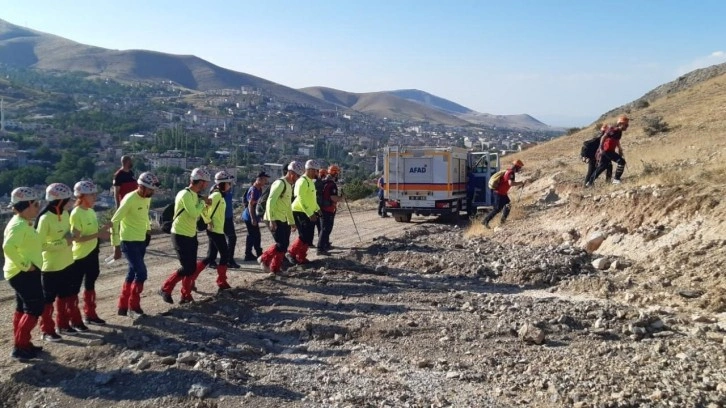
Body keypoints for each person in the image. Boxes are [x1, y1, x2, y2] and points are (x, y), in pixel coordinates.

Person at [159, 168, 211, 304]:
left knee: (191, 267)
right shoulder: (185, 194)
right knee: (187, 267)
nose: (206, 185)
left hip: (190, 234)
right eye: (205, 182)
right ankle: (166, 288)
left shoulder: (194, 195)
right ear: (199, 182)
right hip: (180, 235)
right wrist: (202, 203)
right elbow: (194, 213)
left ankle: (185, 295)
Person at [35, 183, 80, 340]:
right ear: (59, 201)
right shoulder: (45, 219)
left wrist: (72, 235)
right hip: (51, 267)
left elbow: (67, 234)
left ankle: (63, 324)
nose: (70, 202)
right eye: (67, 200)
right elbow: (39, 245)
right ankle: (47, 330)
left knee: (65, 296)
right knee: (48, 300)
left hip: (67, 262)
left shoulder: (66, 214)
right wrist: (63, 242)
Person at [110, 171, 159, 318]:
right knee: (141, 273)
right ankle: (134, 306)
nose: (152, 192)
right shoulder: (130, 199)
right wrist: (115, 245)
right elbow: (114, 221)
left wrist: (148, 231)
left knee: (132, 273)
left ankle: (122, 306)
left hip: (140, 240)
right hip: (128, 241)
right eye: (150, 189)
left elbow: (144, 216)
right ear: (142, 187)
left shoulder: (146, 198)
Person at [3, 187, 45, 359]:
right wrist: (26, 265)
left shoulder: (21, 222)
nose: (39, 207)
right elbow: (8, 247)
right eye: (36, 204)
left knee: (23, 308)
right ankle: (20, 347)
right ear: (27, 205)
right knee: (35, 307)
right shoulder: (19, 225)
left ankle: (23, 343)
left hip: (23, 272)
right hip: (23, 273)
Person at [70, 180, 110, 326]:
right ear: (82, 196)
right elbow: (77, 239)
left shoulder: (91, 211)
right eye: (92, 194)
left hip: (93, 253)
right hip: (79, 256)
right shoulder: (76, 214)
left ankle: (90, 314)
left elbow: (94, 233)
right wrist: (98, 235)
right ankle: (74, 319)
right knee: (74, 288)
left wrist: (104, 230)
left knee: (90, 285)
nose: (95, 197)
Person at [258, 161, 302, 275]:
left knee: (284, 244)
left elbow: (287, 206)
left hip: (282, 218)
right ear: (291, 173)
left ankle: (275, 269)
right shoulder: (280, 183)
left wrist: (292, 222)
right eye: (297, 176)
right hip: (273, 217)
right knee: (281, 244)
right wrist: (272, 220)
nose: (297, 179)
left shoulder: (289, 186)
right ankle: (264, 258)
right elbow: (270, 201)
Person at [199, 170, 234, 292]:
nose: (230, 185)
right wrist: (208, 221)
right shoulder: (216, 195)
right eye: (229, 183)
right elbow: (203, 208)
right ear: (223, 183)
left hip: (217, 229)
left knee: (210, 256)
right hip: (214, 230)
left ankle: (191, 278)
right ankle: (221, 281)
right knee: (225, 254)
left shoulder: (220, 195)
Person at [288, 159, 321, 265]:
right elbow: (301, 198)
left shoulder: (310, 182)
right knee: (303, 235)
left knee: (308, 236)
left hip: (308, 211)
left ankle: (301, 256)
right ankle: (291, 253)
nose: (317, 173)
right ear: (310, 170)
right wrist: (309, 213)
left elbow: (311, 198)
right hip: (299, 211)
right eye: (316, 171)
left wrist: (317, 209)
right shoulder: (302, 181)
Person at [206, 171, 240, 269]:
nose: (230, 184)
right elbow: (208, 207)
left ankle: (229, 260)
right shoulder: (215, 191)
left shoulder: (227, 189)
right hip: (218, 219)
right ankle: (211, 260)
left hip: (228, 218)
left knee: (232, 238)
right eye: (229, 182)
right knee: (214, 240)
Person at [483, 160, 526, 229]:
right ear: (516, 167)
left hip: (502, 193)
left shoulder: (509, 171)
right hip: (499, 193)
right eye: (519, 167)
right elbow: (511, 183)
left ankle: (503, 221)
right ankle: (485, 221)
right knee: (497, 209)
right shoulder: (511, 173)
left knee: (508, 205)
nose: (520, 169)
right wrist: (520, 183)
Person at [588, 115, 629, 186]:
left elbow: (616, 141)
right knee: (621, 161)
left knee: (602, 167)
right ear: (620, 124)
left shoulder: (619, 132)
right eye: (625, 125)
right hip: (606, 151)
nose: (627, 127)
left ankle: (590, 182)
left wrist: (619, 149)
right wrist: (601, 148)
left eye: (627, 125)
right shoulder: (612, 129)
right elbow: (603, 137)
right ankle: (616, 179)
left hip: (609, 151)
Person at [241, 171, 269, 261]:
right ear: (259, 179)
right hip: (249, 216)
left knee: (256, 235)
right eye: (264, 180)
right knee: (252, 235)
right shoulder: (253, 190)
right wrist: (253, 218)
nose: (266, 182)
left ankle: (257, 253)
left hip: (253, 216)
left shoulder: (259, 189)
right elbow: (251, 205)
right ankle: (249, 254)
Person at [317, 165, 343, 255]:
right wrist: (341, 198)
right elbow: (333, 198)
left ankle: (325, 245)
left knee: (324, 228)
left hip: (322, 208)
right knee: (325, 229)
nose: (337, 175)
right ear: (335, 173)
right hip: (328, 209)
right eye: (337, 173)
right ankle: (320, 248)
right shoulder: (332, 185)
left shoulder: (324, 182)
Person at [314, 167, 328, 242]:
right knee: (320, 225)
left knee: (317, 225)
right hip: (318, 205)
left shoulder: (315, 181)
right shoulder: (319, 182)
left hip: (315, 205)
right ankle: (322, 241)